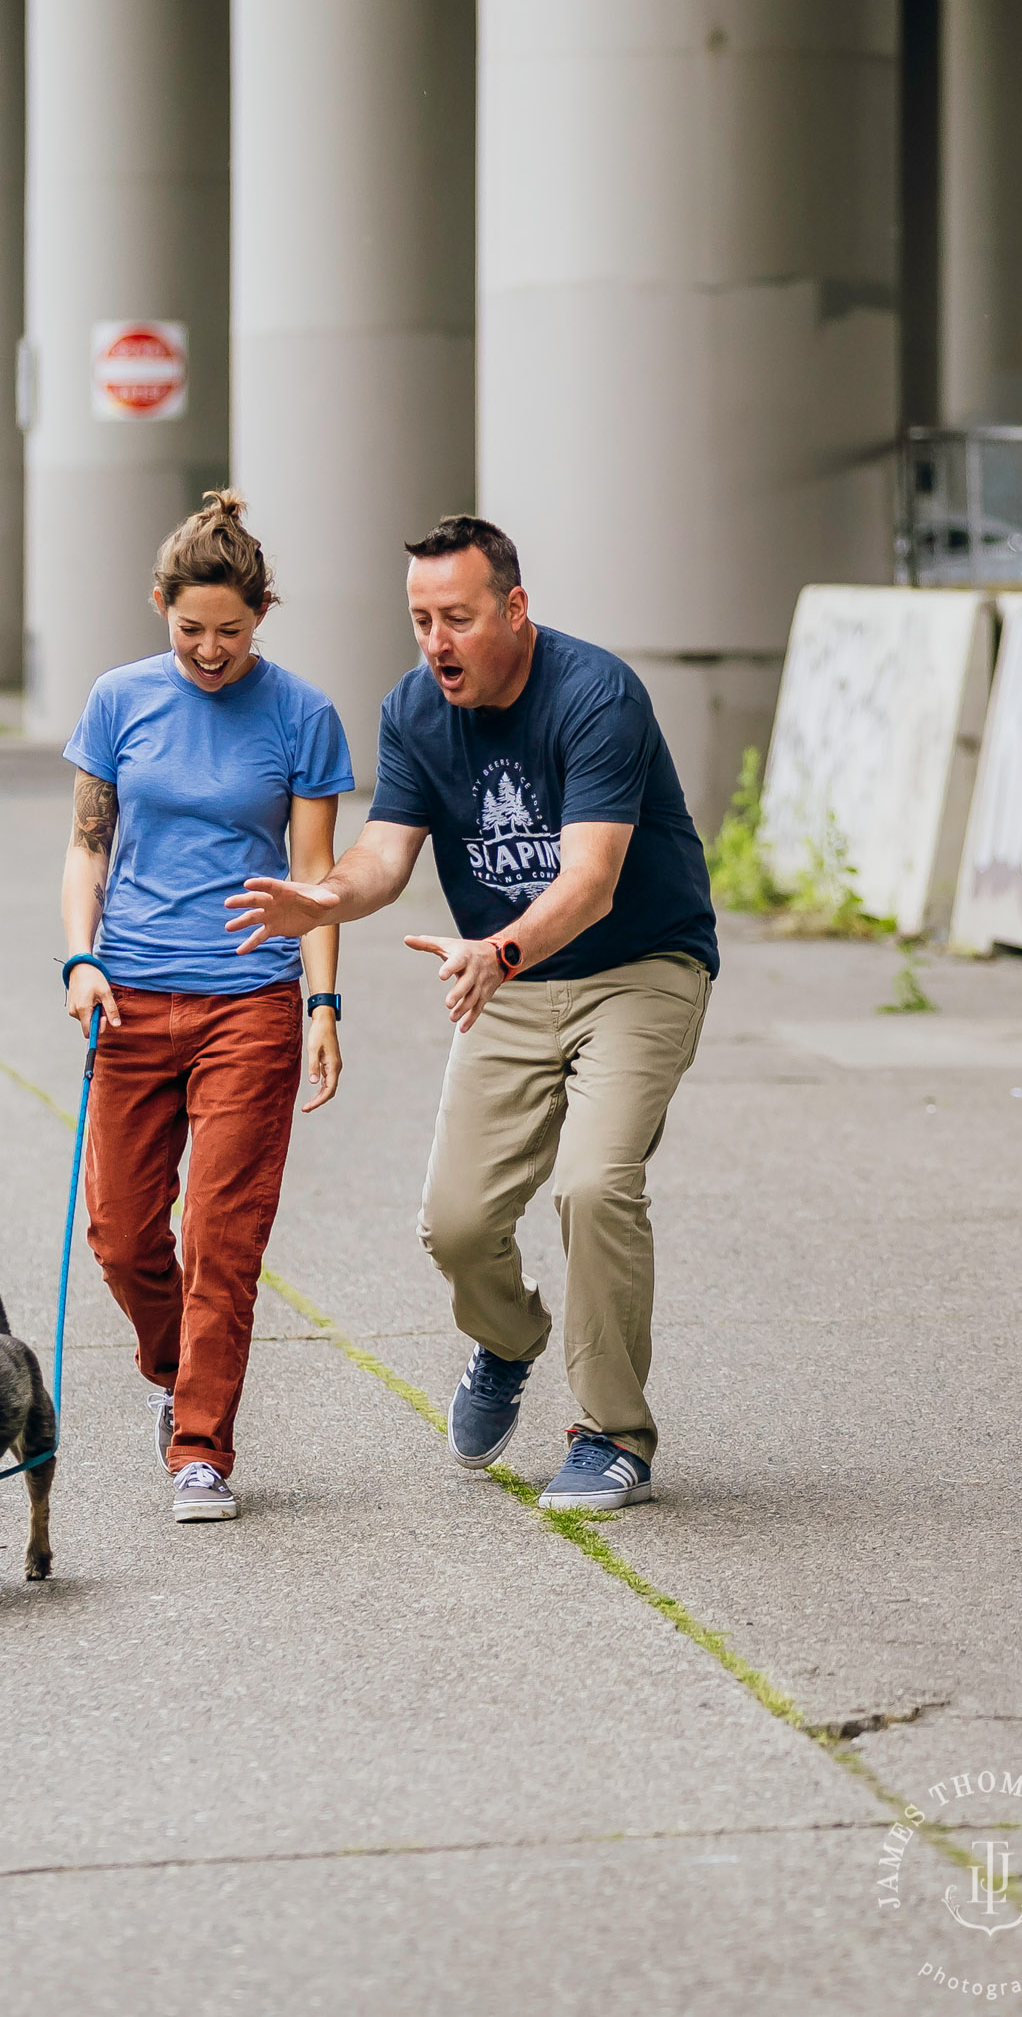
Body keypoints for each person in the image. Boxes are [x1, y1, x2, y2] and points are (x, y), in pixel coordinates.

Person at [226, 514, 717, 1512]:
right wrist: (322, 896)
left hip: (638, 967)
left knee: (592, 1184)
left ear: (513, 608)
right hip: (506, 982)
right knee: (455, 1227)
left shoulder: (594, 695)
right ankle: (504, 1337)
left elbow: (589, 879)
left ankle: (611, 1431)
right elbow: (385, 853)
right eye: (419, 619)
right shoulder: (413, 709)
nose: (435, 642)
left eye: (455, 617)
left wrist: (496, 949)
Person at [60, 491, 354, 1524]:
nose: (210, 650)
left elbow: (315, 876)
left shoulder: (302, 715)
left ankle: (200, 1446)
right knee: (121, 1235)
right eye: (190, 629)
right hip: (130, 996)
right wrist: (77, 959)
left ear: (263, 613)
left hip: (249, 1003)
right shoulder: (117, 699)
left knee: (222, 1237)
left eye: (231, 630)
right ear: (158, 606)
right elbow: (88, 842)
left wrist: (321, 1001)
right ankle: (175, 1371)